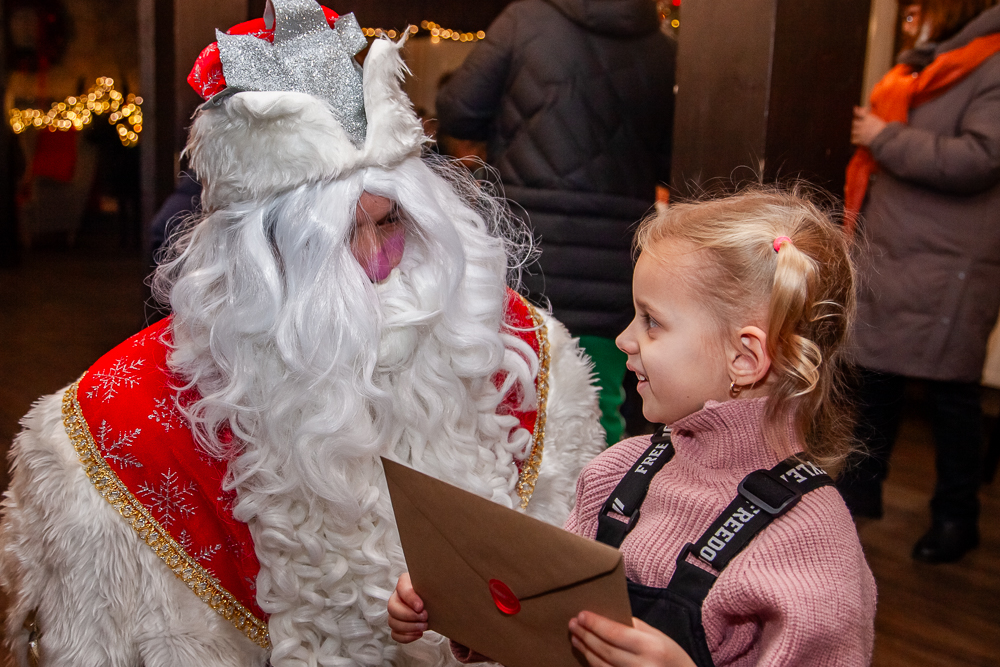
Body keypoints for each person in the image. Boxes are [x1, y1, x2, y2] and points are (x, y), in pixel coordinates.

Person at [0, 2, 607, 666]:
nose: (378, 265)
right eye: (341, 237)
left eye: (392, 222)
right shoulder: (109, 428)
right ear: (258, 261)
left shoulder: (525, 356)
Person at [388, 188, 877, 666]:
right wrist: (469, 617)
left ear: (745, 358)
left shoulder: (814, 544)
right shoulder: (617, 470)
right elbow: (552, 627)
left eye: (652, 322)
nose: (624, 339)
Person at [436, 0, 677, 446]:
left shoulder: (523, 21)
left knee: (504, 411)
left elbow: (458, 109)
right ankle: (596, 510)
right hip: (612, 266)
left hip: (525, 253)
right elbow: (672, 159)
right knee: (598, 412)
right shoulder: (662, 48)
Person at [840, 0, 1000, 563]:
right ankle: (858, 497)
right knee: (875, 378)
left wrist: (884, 138)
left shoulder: (992, 64)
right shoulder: (931, 63)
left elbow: (982, 157)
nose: (911, 15)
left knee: (951, 392)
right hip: (897, 250)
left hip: (947, 259)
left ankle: (957, 516)